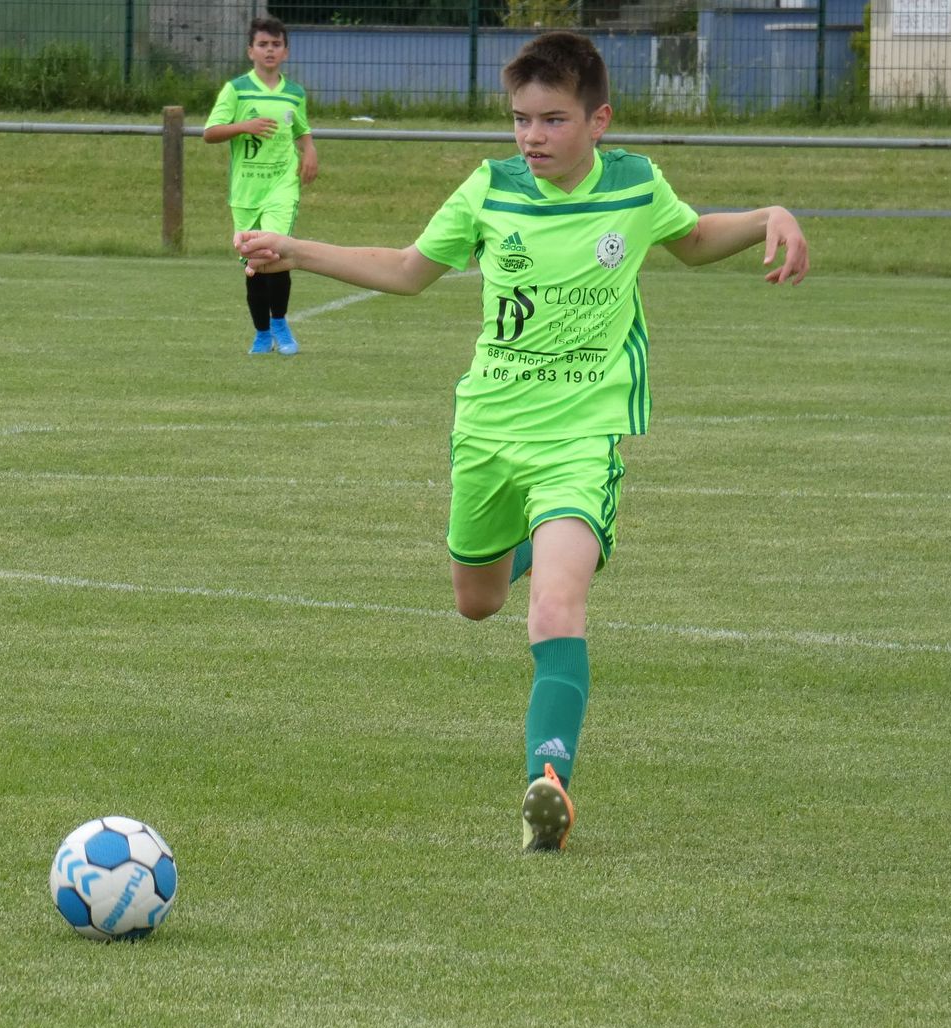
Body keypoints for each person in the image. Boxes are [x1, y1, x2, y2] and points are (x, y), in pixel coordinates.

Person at [238, 32, 808, 851]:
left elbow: (691, 241)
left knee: (555, 607)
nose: (532, 137)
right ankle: (536, 542)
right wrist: (293, 250)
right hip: (488, 432)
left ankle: (550, 783)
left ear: (598, 120)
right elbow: (405, 268)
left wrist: (766, 217)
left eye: (553, 120)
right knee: (477, 601)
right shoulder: (490, 188)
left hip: (581, 434)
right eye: (520, 120)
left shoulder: (635, 185)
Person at [204, 16, 318, 356]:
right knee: (253, 263)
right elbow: (210, 133)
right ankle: (261, 333)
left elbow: (301, 129)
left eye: (276, 45)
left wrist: (309, 150)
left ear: (286, 52)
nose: (270, 50)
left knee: (276, 252)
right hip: (246, 191)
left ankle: (280, 323)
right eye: (263, 44)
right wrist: (245, 126)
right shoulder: (236, 90)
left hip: (282, 187)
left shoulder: (294, 93)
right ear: (250, 51)